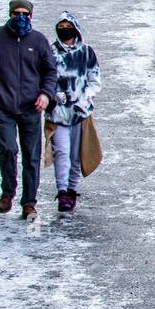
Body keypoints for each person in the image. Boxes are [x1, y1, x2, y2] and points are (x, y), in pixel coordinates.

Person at [0, 0, 58, 219]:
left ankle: (29, 202)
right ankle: (7, 192)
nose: (20, 18)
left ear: (31, 16)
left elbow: (50, 71)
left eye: (25, 14)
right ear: (9, 14)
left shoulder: (39, 41)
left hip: (31, 107)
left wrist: (45, 94)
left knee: (32, 156)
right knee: (8, 149)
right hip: (3, 105)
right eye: (16, 13)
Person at [48, 12, 101, 213]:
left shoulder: (86, 53)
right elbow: (43, 77)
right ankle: (62, 191)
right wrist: (53, 94)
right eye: (60, 27)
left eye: (67, 26)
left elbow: (94, 80)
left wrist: (85, 98)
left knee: (77, 153)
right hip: (58, 111)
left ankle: (71, 188)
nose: (64, 30)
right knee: (61, 151)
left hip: (81, 111)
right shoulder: (50, 52)